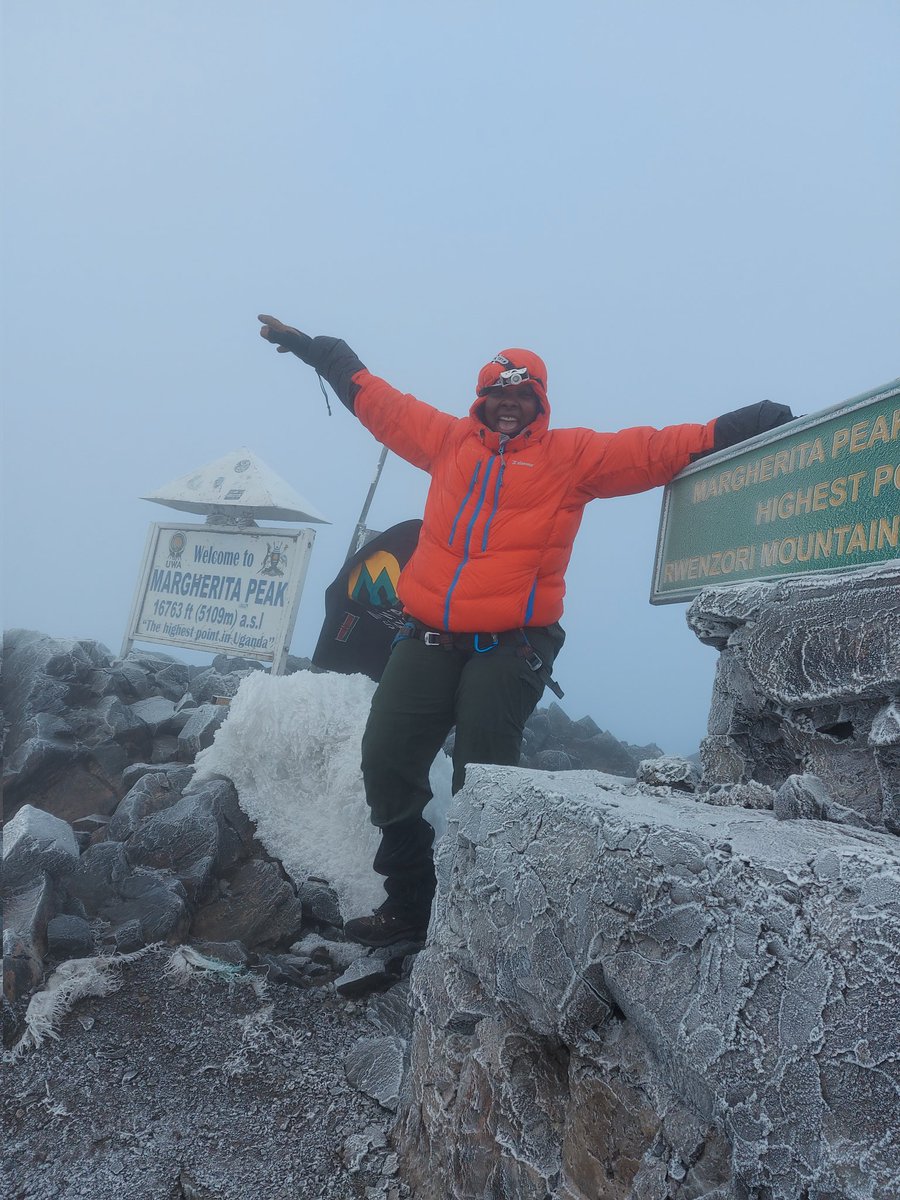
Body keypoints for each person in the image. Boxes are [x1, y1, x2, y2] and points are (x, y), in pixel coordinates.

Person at [258, 315, 792, 946]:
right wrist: (317, 350)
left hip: (510, 644)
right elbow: (378, 401)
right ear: (481, 400)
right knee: (385, 757)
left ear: (540, 402)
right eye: (497, 394)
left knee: (486, 780)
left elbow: (654, 450)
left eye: (522, 395)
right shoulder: (449, 441)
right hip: (427, 634)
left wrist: (741, 426)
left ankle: (473, 918)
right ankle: (410, 902)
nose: (508, 405)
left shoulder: (571, 457)